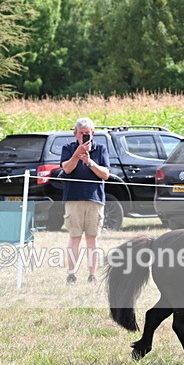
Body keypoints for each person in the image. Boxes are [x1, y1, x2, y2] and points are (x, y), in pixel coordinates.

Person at [59, 118, 110, 285]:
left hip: (94, 199)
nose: (85, 135)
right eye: (82, 133)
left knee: (92, 239)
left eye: (88, 133)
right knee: (74, 237)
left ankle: (92, 275)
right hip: (73, 199)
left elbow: (105, 175)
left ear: (93, 133)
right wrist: (77, 154)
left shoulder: (101, 149)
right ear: (75, 134)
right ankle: (71, 274)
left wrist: (89, 162)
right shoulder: (67, 148)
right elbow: (67, 168)